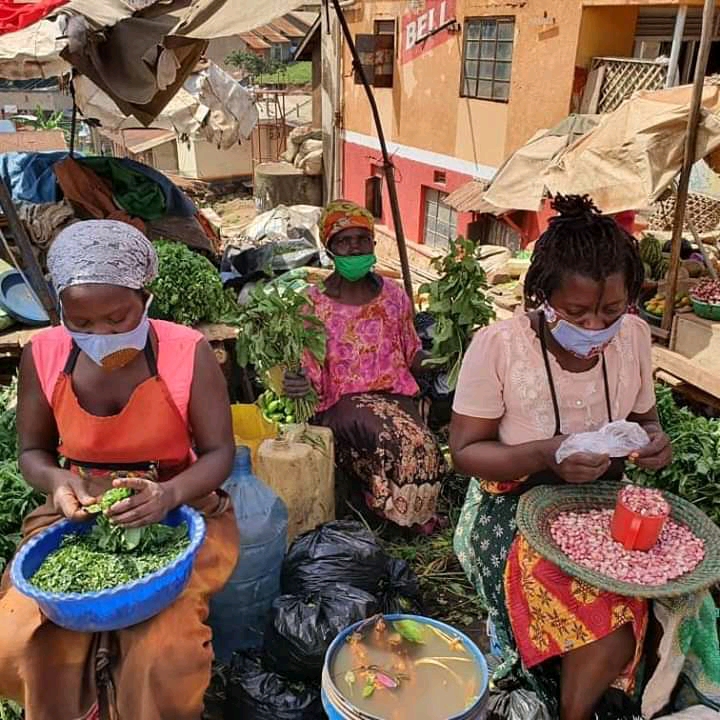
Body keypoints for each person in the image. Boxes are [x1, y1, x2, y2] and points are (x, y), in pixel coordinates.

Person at [0, 220, 239, 720]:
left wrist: (167, 495)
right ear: (60, 308)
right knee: (17, 641)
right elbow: (32, 454)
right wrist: (60, 482)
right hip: (77, 515)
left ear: (144, 297)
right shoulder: (42, 356)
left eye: (116, 317)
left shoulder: (185, 352)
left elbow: (219, 453)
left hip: (181, 511)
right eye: (80, 322)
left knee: (162, 653)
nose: (100, 334)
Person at [450, 196, 673, 720]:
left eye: (611, 310)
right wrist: (547, 455)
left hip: (602, 501)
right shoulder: (500, 346)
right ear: (541, 296)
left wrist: (654, 444)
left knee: (671, 597)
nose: (595, 326)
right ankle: (576, 706)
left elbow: (646, 421)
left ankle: (591, 694)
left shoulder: (634, 338)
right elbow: (464, 453)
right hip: (512, 505)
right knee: (607, 614)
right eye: (576, 312)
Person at [285, 199, 446, 533]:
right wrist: (297, 383)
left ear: (373, 244)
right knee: (401, 442)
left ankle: (401, 515)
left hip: (395, 398)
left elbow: (411, 354)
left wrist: (449, 358)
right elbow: (308, 371)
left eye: (362, 239)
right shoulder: (312, 303)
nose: (354, 247)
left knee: (423, 443)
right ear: (329, 249)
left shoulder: (394, 295)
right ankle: (396, 515)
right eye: (344, 240)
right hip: (341, 403)